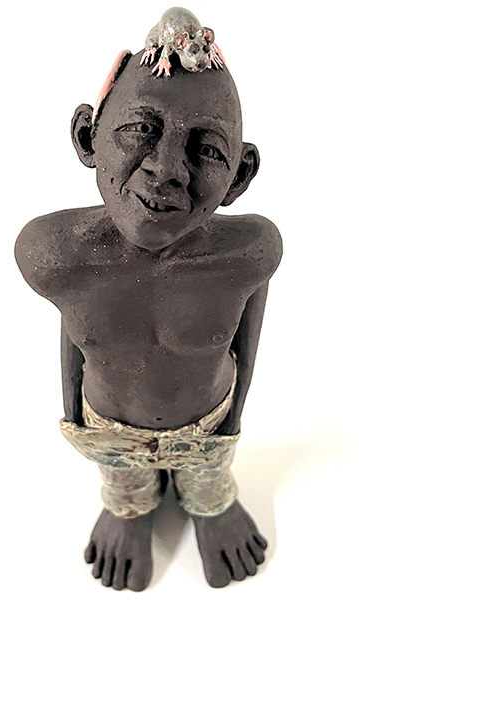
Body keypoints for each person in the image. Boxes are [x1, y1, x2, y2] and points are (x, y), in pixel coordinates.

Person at [15, 47, 281, 590]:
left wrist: (230, 427)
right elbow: (77, 328)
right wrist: (76, 421)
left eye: (207, 149)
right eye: (139, 129)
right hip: (111, 429)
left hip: (209, 425)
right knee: (124, 486)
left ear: (239, 175)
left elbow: (246, 341)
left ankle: (209, 504)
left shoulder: (248, 253)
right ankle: (130, 509)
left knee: (209, 483)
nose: (165, 171)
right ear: (88, 137)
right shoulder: (56, 255)